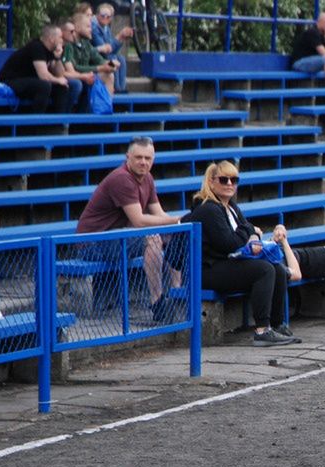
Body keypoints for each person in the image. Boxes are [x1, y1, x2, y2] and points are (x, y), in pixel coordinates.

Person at [180, 161, 301, 346]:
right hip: (206, 270)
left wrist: (250, 232)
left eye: (234, 180)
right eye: (224, 179)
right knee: (264, 270)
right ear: (211, 182)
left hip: (224, 263)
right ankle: (262, 330)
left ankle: (276, 325)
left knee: (277, 269)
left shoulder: (231, 207)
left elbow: (246, 231)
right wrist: (250, 231)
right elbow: (229, 243)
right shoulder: (209, 209)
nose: (230, 184)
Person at [76, 137, 183, 320]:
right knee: (152, 238)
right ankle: (157, 302)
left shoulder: (148, 178)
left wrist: (178, 225)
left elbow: (159, 214)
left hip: (117, 238)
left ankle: (177, 294)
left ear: (153, 159)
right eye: (138, 157)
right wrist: (175, 220)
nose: (143, 162)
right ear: (128, 157)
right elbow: (139, 220)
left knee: (177, 236)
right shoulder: (121, 178)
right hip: (92, 243)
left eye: (148, 158)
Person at [0, 24, 69, 114]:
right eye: (60, 37)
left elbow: (60, 74)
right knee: (44, 86)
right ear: (51, 39)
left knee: (62, 87)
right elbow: (44, 76)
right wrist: (58, 80)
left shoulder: (51, 51)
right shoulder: (37, 47)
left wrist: (57, 58)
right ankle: (36, 120)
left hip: (28, 81)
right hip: (10, 81)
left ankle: (59, 120)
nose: (62, 40)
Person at [64, 12, 117, 113]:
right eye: (88, 26)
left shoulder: (86, 43)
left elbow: (100, 60)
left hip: (86, 75)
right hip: (74, 76)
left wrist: (112, 64)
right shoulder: (69, 44)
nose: (91, 29)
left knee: (109, 75)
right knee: (82, 83)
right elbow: (74, 68)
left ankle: (106, 108)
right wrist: (99, 68)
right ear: (77, 27)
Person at [290, 13, 325, 89]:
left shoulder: (324, 34)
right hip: (299, 63)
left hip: (315, 62)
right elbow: (323, 52)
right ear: (319, 22)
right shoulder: (312, 32)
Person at [91, 4, 131, 94]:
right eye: (103, 15)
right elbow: (106, 51)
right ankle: (115, 88)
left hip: (105, 56)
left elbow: (113, 50)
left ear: (111, 18)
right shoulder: (94, 28)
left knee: (121, 59)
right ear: (97, 15)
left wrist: (122, 38)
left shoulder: (106, 28)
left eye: (108, 16)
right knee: (112, 59)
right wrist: (119, 36)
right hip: (96, 59)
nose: (105, 18)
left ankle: (121, 88)